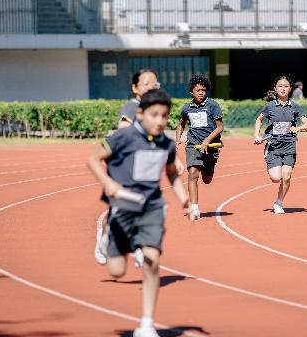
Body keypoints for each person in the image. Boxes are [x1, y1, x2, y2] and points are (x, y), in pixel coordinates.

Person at [87, 88, 194, 337]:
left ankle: (146, 324)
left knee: (152, 260)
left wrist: (184, 199)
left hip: (151, 207)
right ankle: (107, 236)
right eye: (154, 115)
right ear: (140, 114)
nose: (160, 121)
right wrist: (108, 183)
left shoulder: (166, 144)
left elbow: (171, 173)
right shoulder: (123, 137)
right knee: (116, 270)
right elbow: (93, 160)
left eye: (164, 116)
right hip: (123, 207)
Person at [95, 69, 184, 266]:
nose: (151, 86)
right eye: (146, 83)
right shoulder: (131, 106)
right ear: (135, 88)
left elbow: (159, 137)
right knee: (119, 209)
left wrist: (174, 159)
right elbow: (124, 132)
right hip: (125, 165)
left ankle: (140, 248)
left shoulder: (156, 109)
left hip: (143, 167)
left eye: (154, 83)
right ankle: (105, 235)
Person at [254, 75, 307, 214]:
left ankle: (279, 203)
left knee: (286, 176)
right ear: (275, 88)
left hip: (289, 145)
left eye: (286, 86)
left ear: (290, 89)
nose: (283, 88)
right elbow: (259, 120)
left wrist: (298, 128)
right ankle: (271, 162)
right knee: (275, 178)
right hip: (273, 146)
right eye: (280, 86)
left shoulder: (295, 107)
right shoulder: (270, 106)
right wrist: (257, 135)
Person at [175, 74, 224, 220]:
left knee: (207, 179)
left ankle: (208, 168)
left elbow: (220, 127)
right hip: (193, 144)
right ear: (191, 91)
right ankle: (194, 208)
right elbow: (181, 124)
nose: (201, 93)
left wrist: (207, 140)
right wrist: (178, 139)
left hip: (211, 145)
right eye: (198, 90)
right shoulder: (186, 108)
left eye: (203, 90)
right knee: (192, 173)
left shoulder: (213, 105)